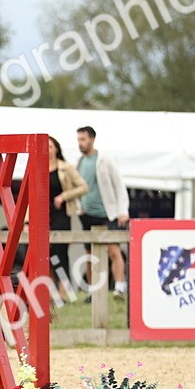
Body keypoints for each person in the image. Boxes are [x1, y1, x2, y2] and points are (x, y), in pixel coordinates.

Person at [76, 126, 129, 298]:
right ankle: (93, 291)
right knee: (89, 253)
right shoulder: (79, 162)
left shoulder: (105, 159)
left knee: (113, 250)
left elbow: (119, 185)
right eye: (78, 140)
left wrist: (123, 211)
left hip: (106, 213)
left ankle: (119, 287)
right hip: (86, 214)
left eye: (83, 139)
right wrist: (79, 207)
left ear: (92, 139)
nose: (80, 143)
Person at [48, 135, 89, 296]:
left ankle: (65, 292)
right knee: (46, 256)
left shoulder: (66, 167)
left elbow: (83, 187)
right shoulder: (37, 167)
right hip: (43, 215)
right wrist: (27, 221)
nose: (47, 150)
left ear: (56, 149)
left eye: (50, 146)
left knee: (60, 253)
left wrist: (63, 196)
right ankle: (50, 293)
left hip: (61, 215)